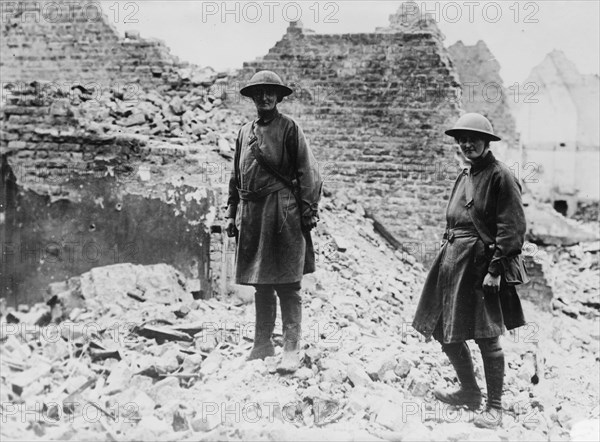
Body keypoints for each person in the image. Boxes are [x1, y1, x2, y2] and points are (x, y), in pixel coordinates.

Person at [412, 113, 527, 428]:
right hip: (452, 261)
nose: (467, 144)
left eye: (473, 138)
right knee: (441, 328)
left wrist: (496, 269)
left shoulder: (500, 176)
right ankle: (469, 392)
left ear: (487, 141)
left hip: (480, 266)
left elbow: (512, 227)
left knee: (487, 335)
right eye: (461, 139)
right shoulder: (465, 175)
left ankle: (494, 407)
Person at [225, 70, 322, 374]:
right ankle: (261, 343)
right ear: (251, 97)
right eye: (258, 92)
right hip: (253, 215)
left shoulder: (290, 128)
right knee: (260, 282)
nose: (264, 97)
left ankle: (291, 347)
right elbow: (235, 176)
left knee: (288, 283)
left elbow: (309, 172)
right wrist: (231, 212)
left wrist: (307, 211)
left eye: (270, 92)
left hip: (282, 212)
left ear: (279, 97)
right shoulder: (244, 132)